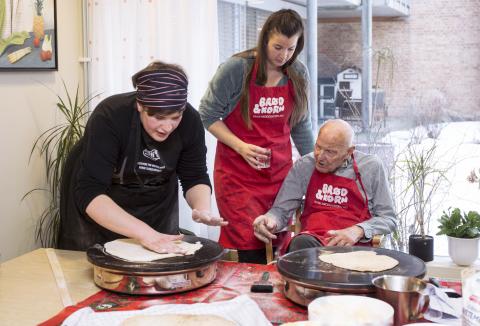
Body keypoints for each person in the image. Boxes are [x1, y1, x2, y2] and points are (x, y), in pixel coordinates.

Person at [58, 61, 227, 253]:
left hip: (154, 201)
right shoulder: (111, 116)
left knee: (156, 268)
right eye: (159, 117)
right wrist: (145, 233)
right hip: (101, 203)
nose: (167, 127)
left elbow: (195, 176)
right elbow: (90, 192)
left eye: (175, 117)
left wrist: (201, 208)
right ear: (140, 105)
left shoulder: (190, 121)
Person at [199, 9, 314, 264]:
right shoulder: (237, 69)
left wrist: (316, 165)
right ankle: (250, 301)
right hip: (237, 175)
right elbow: (207, 114)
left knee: (279, 246)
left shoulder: (298, 73)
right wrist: (241, 147)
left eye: (291, 49)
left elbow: (301, 125)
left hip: (279, 175)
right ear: (264, 39)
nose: (283, 56)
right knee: (252, 249)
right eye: (277, 47)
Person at [252, 119, 396, 252]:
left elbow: (388, 219)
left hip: (354, 248)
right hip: (312, 243)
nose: (320, 156)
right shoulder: (305, 165)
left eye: (330, 152)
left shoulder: (370, 167)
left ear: (349, 152)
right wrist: (270, 219)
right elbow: (281, 210)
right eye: (318, 147)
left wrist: (358, 231)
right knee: (300, 244)